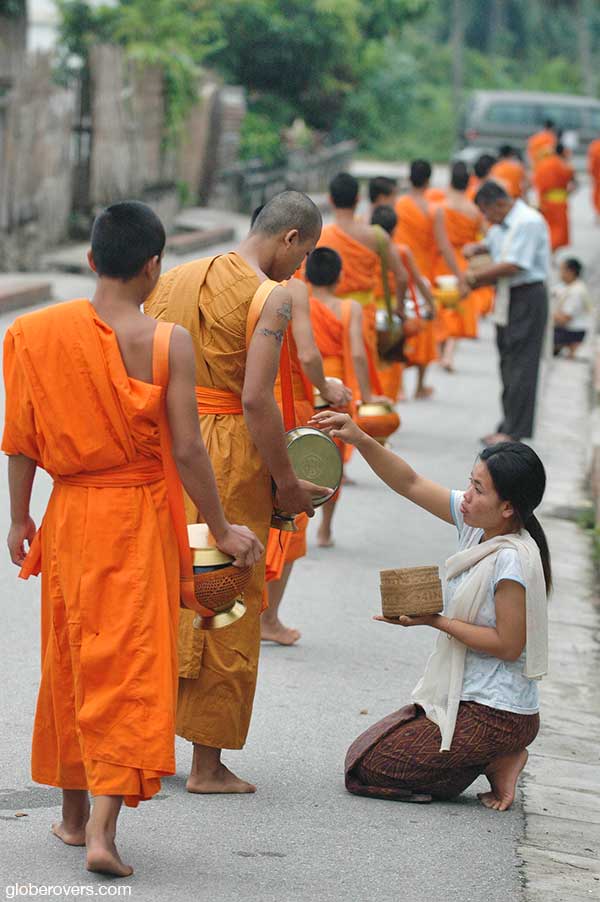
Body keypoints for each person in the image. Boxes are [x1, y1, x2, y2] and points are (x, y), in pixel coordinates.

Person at [3, 201, 264, 877]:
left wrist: (19, 516)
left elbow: (21, 440)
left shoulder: (32, 333)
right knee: (129, 666)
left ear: (91, 260)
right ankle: (102, 830)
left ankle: (67, 814)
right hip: (139, 519)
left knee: (71, 658)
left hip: (69, 518)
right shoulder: (167, 341)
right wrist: (224, 527)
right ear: (153, 268)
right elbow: (187, 448)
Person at [145, 190, 331, 795]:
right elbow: (255, 399)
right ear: (291, 238)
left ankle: (146, 744)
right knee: (227, 594)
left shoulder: (176, 276)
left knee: (169, 586)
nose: (299, 271)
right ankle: (207, 765)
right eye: (303, 257)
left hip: (172, 447)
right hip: (228, 454)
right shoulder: (269, 296)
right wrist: (285, 482)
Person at [311, 411, 550, 811]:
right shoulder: (479, 525)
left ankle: (496, 756)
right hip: (465, 697)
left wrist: (435, 621)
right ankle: (486, 757)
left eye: (478, 488)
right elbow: (410, 482)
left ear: (507, 507)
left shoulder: (512, 560)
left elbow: (508, 646)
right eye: (470, 483)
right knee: (361, 754)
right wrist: (360, 437)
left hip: (498, 712)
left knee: (372, 770)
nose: (467, 495)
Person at [263, 276, 351, 645]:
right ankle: (268, 619)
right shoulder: (291, 288)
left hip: (230, 409)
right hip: (284, 405)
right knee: (287, 513)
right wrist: (325, 387)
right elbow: (310, 355)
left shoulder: (226, 278)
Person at [464, 181, 551, 445]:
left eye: (487, 212)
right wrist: (477, 248)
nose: (486, 219)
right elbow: (494, 245)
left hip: (526, 296)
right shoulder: (503, 223)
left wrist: (472, 278)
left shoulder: (527, 222)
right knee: (508, 361)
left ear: (499, 204)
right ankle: (507, 423)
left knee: (522, 364)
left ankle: (514, 431)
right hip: (507, 296)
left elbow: (514, 264)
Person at [306, 247, 374, 547]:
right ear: (340, 277)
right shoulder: (349, 309)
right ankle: (325, 529)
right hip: (336, 386)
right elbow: (358, 353)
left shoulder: (298, 304)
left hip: (304, 384)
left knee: (299, 450)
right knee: (332, 460)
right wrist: (367, 394)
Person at [317, 172, 408, 394]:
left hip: (327, 312)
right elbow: (402, 276)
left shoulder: (321, 236)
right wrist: (398, 309)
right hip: (364, 312)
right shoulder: (376, 236)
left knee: (332, 365)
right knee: (362, 362)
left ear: (330, 200)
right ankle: (363, 405)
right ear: (358, 199)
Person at [371, 204, 436, 401]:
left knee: (371, 357)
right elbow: (412, 279)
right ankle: (390, 396)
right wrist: (430, 304)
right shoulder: (400, 251)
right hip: (391, 309)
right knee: (391, 357)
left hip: (369, 308)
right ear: (394, 229)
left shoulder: (364, 248)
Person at [432, 162, 488, 372]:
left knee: (439, 304)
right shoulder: (474, 210)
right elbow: (485, 236)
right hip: (462, 260)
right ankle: (448, 354)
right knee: (457, 307)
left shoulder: (440, 206)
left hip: (440, 260)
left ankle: (438, 350)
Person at [393, 160, 441, 398]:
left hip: (399, 270)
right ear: (429, 180)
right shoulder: (433, 210)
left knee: (400, 327)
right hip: (423, 273)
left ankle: (399, 385)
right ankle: (420, 385)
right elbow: (442, 245)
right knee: (425, 329)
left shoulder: (399, 204)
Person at [533, 143, 576, 251]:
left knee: (549, 228)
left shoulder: (542, 164)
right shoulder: (563, 165)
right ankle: (550, 251)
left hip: (545, 200)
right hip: (559, 201)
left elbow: (537, 182)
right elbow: (572, 180)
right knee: (558, 231)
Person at [552, 257, 592, 358]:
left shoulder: (577, 291)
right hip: (564, 328)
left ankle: (566, 345)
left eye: (561, 269)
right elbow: (553, 292)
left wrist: (545, 314)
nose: (559, 273)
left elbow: (565, 319)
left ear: (570, 272)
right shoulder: (566, 285)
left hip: (573, 331)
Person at [587, 136, 600, 223]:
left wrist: (592, 174)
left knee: (597, 195)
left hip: (597, 177)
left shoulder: (594, 146)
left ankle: (598, 213)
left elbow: (592, 162)